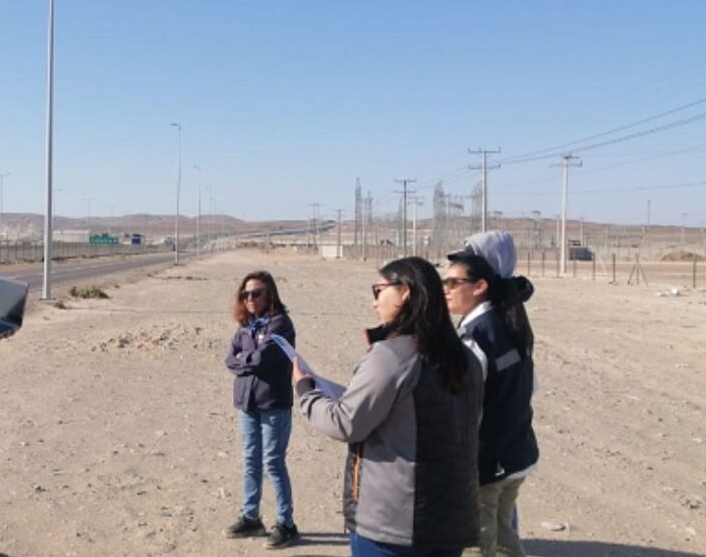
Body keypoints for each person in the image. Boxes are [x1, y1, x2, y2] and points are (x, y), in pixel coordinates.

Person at [294, 257, 483, 556]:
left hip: (395, 526)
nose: (374, 303)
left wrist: (306, 390)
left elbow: (345, 423)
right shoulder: (465, 358)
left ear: (405, 291)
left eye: (378, 291)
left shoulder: (392, 356)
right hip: (450, 519)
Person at [445, 232, 538, 557]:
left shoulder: (477, 336)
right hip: (515, 454)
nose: (446, 290)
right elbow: (525, 387)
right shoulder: (510, 321)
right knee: (504, 538)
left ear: (480, 284)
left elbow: (461, 407)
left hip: (487, 463)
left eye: (454, 282)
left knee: (477, 545)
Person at [223, 270, 300, 549]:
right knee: (250, 460)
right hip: (247, 404)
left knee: (273, 462)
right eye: (245, 294)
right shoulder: (246, 326)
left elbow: (261, 360)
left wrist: (246, 359)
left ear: (270, 295)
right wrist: (247, 359)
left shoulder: (281, 325)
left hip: (273, 405)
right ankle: (251, 517)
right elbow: (230, 359)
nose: (250, 299)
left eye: (256, 293)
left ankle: (286, 524)